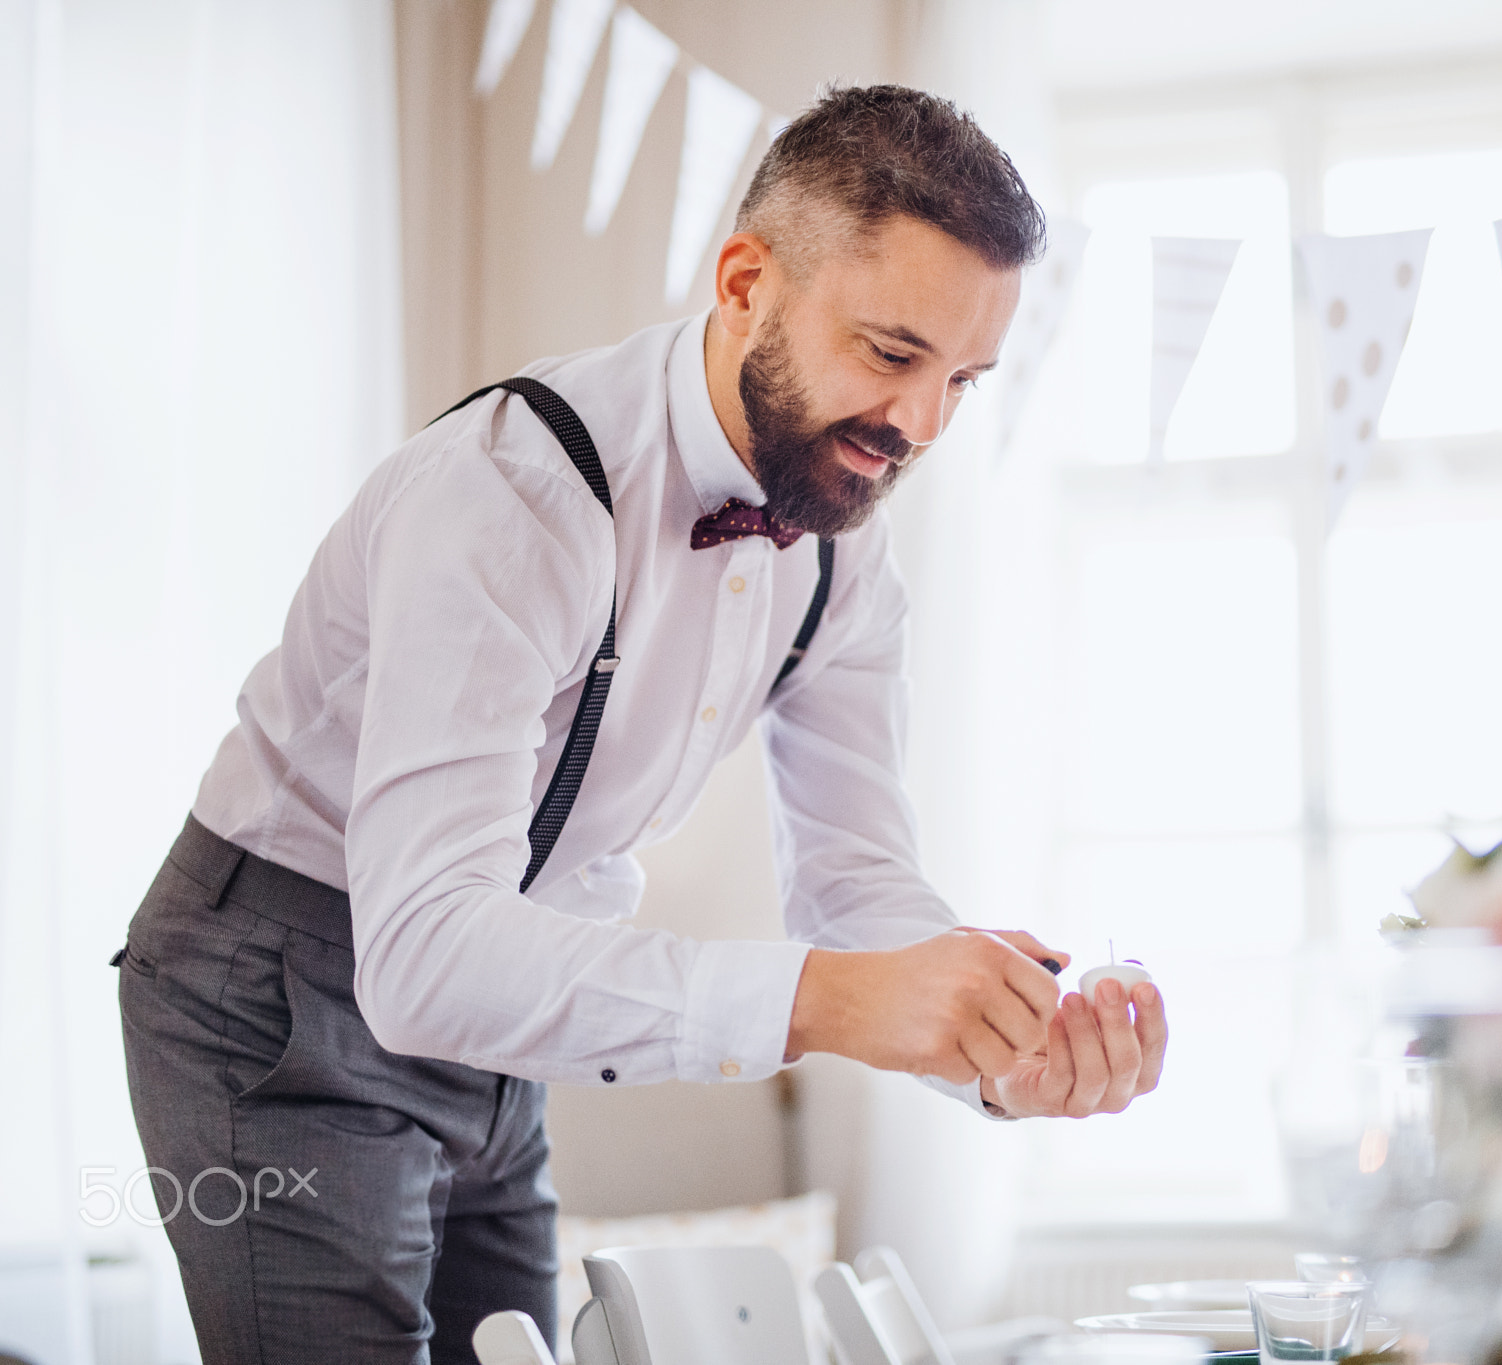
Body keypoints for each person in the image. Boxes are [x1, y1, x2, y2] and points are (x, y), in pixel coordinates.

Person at [116, 84, 1169, 1363]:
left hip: (508, 990)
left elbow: (856, 887)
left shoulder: (842, 558)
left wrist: (995, 1056)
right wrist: (829, 1003)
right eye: (892, 355)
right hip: (274, 990)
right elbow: (426, 954)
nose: (919, 427)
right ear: (743, 283)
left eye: (965, 378)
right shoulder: (513, 495)